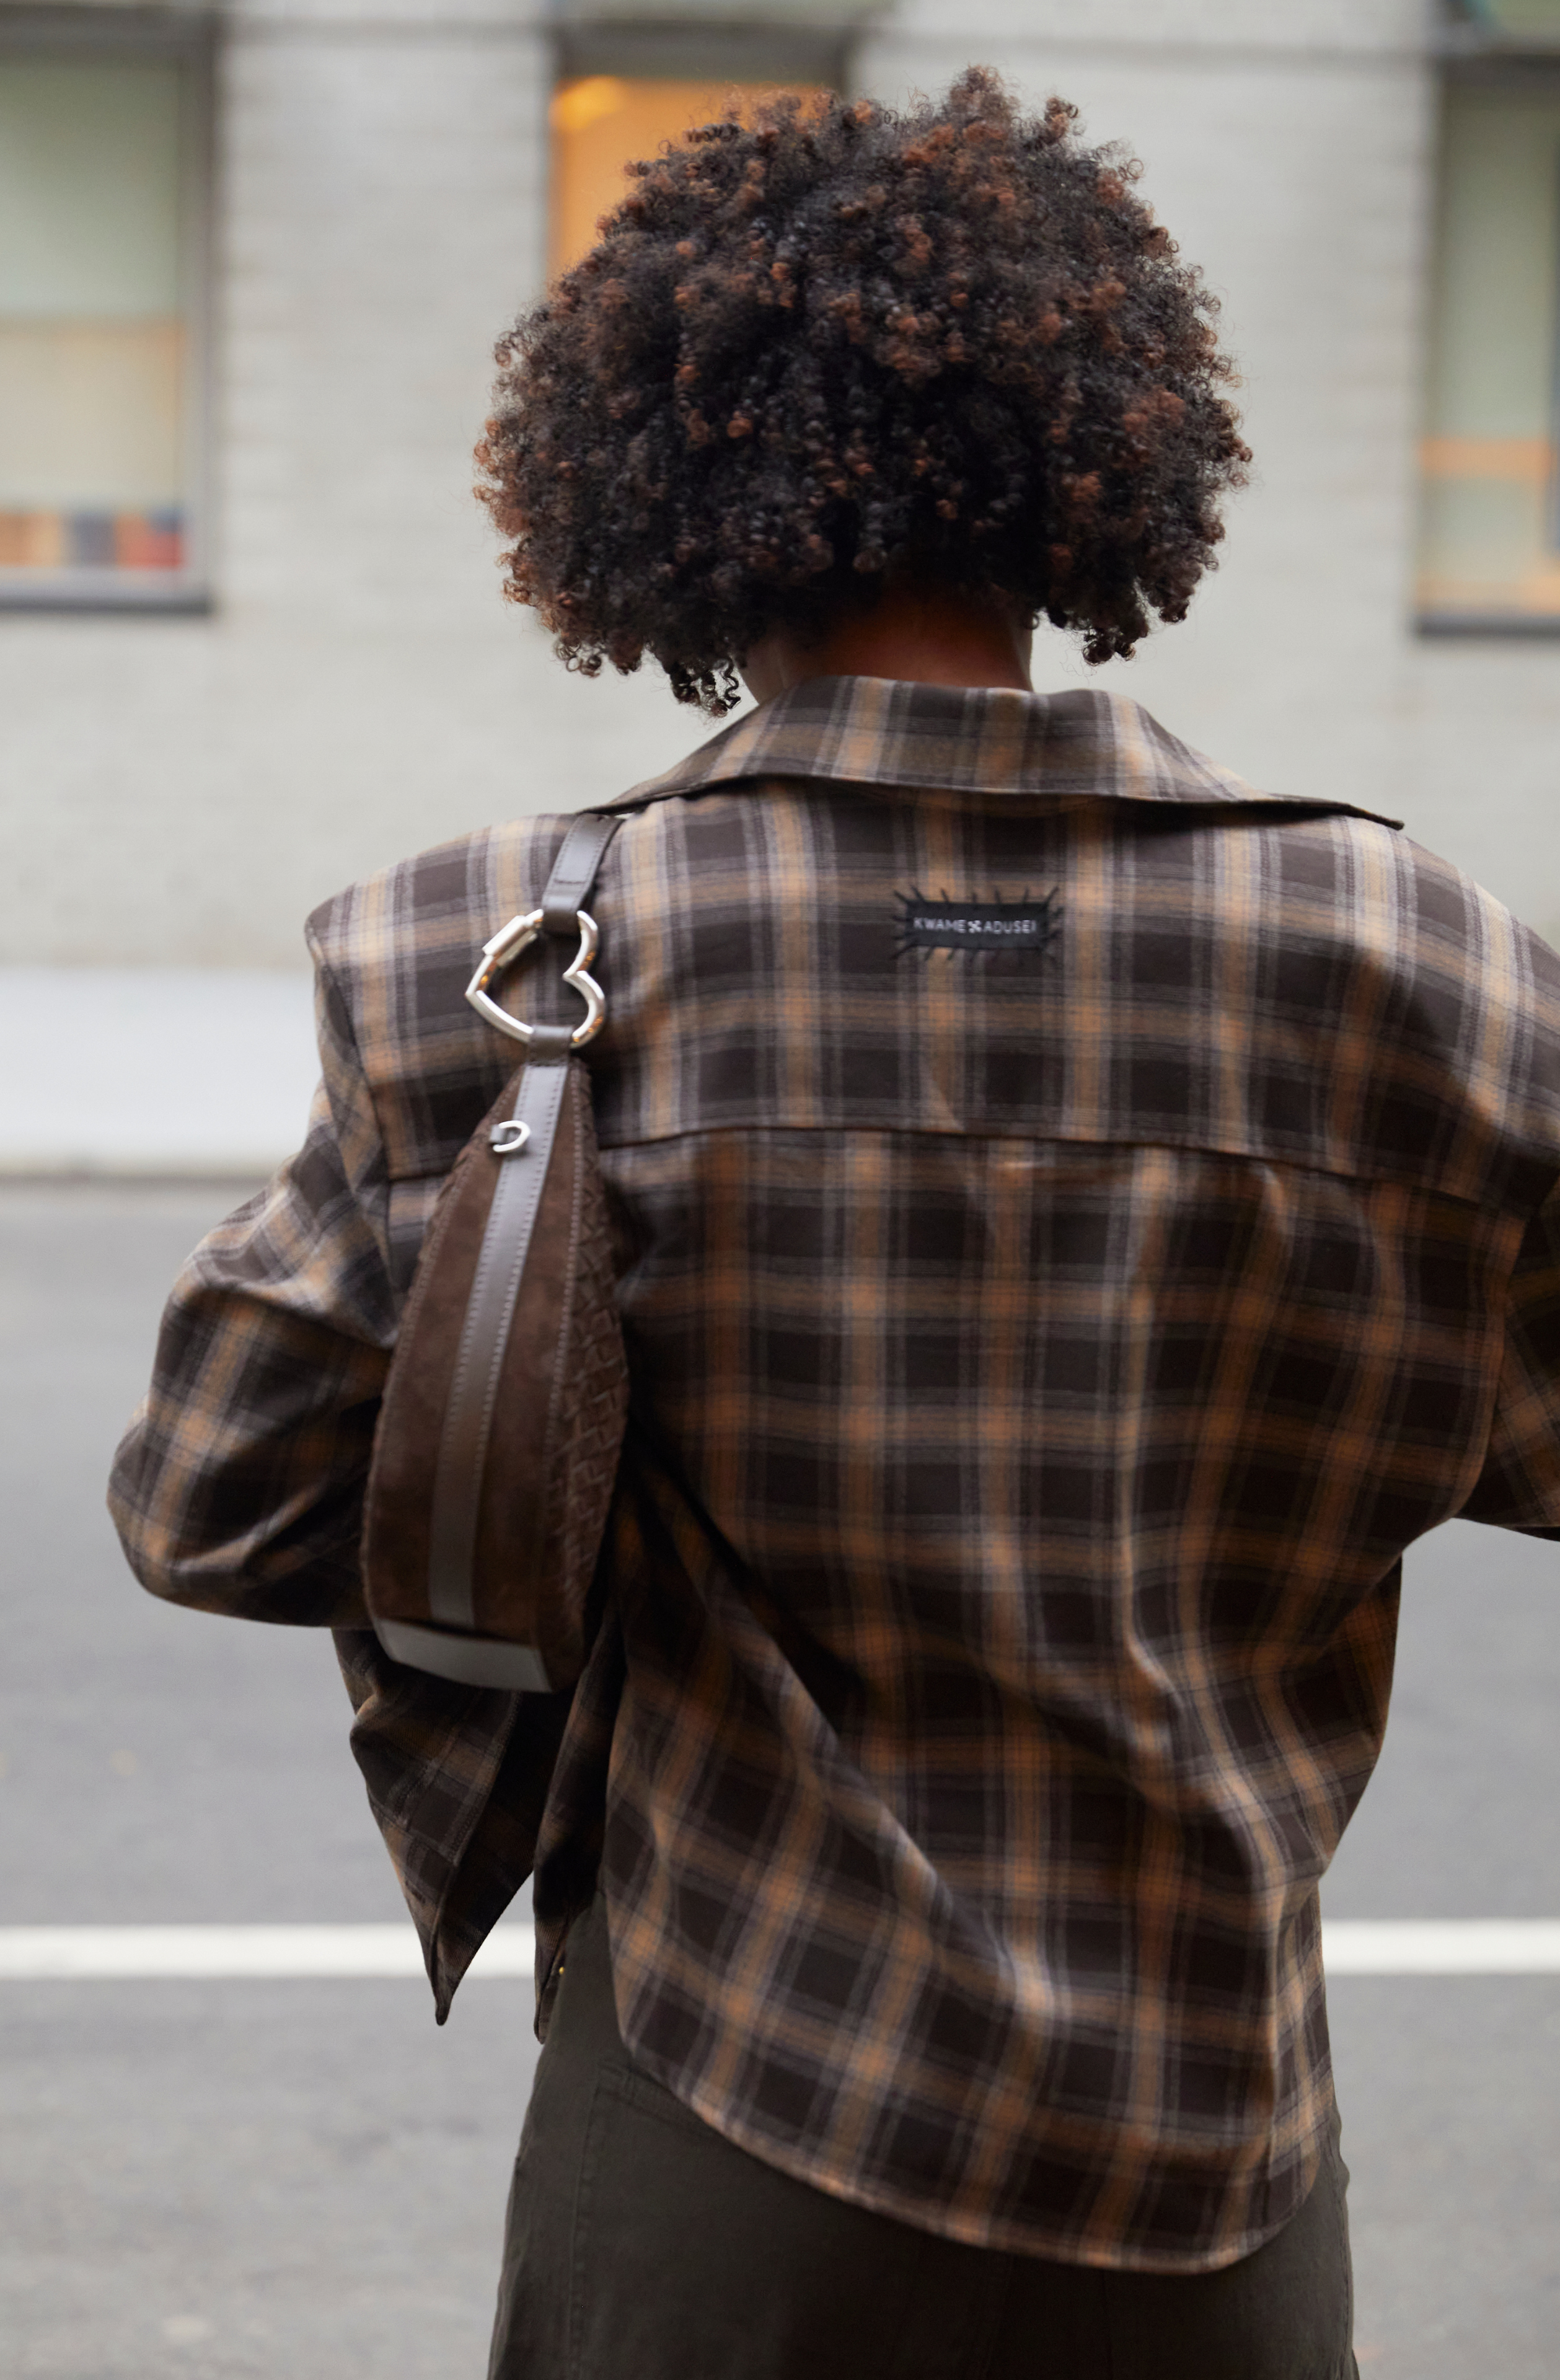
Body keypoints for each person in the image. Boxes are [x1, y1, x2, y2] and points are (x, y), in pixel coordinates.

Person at [108, 72, 1560, 2379]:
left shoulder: (495, 961)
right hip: (1219, 2183)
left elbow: (216, 1504)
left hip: (720, 2124)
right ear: (1098, 450)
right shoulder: (1427, 967)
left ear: (655, 497)